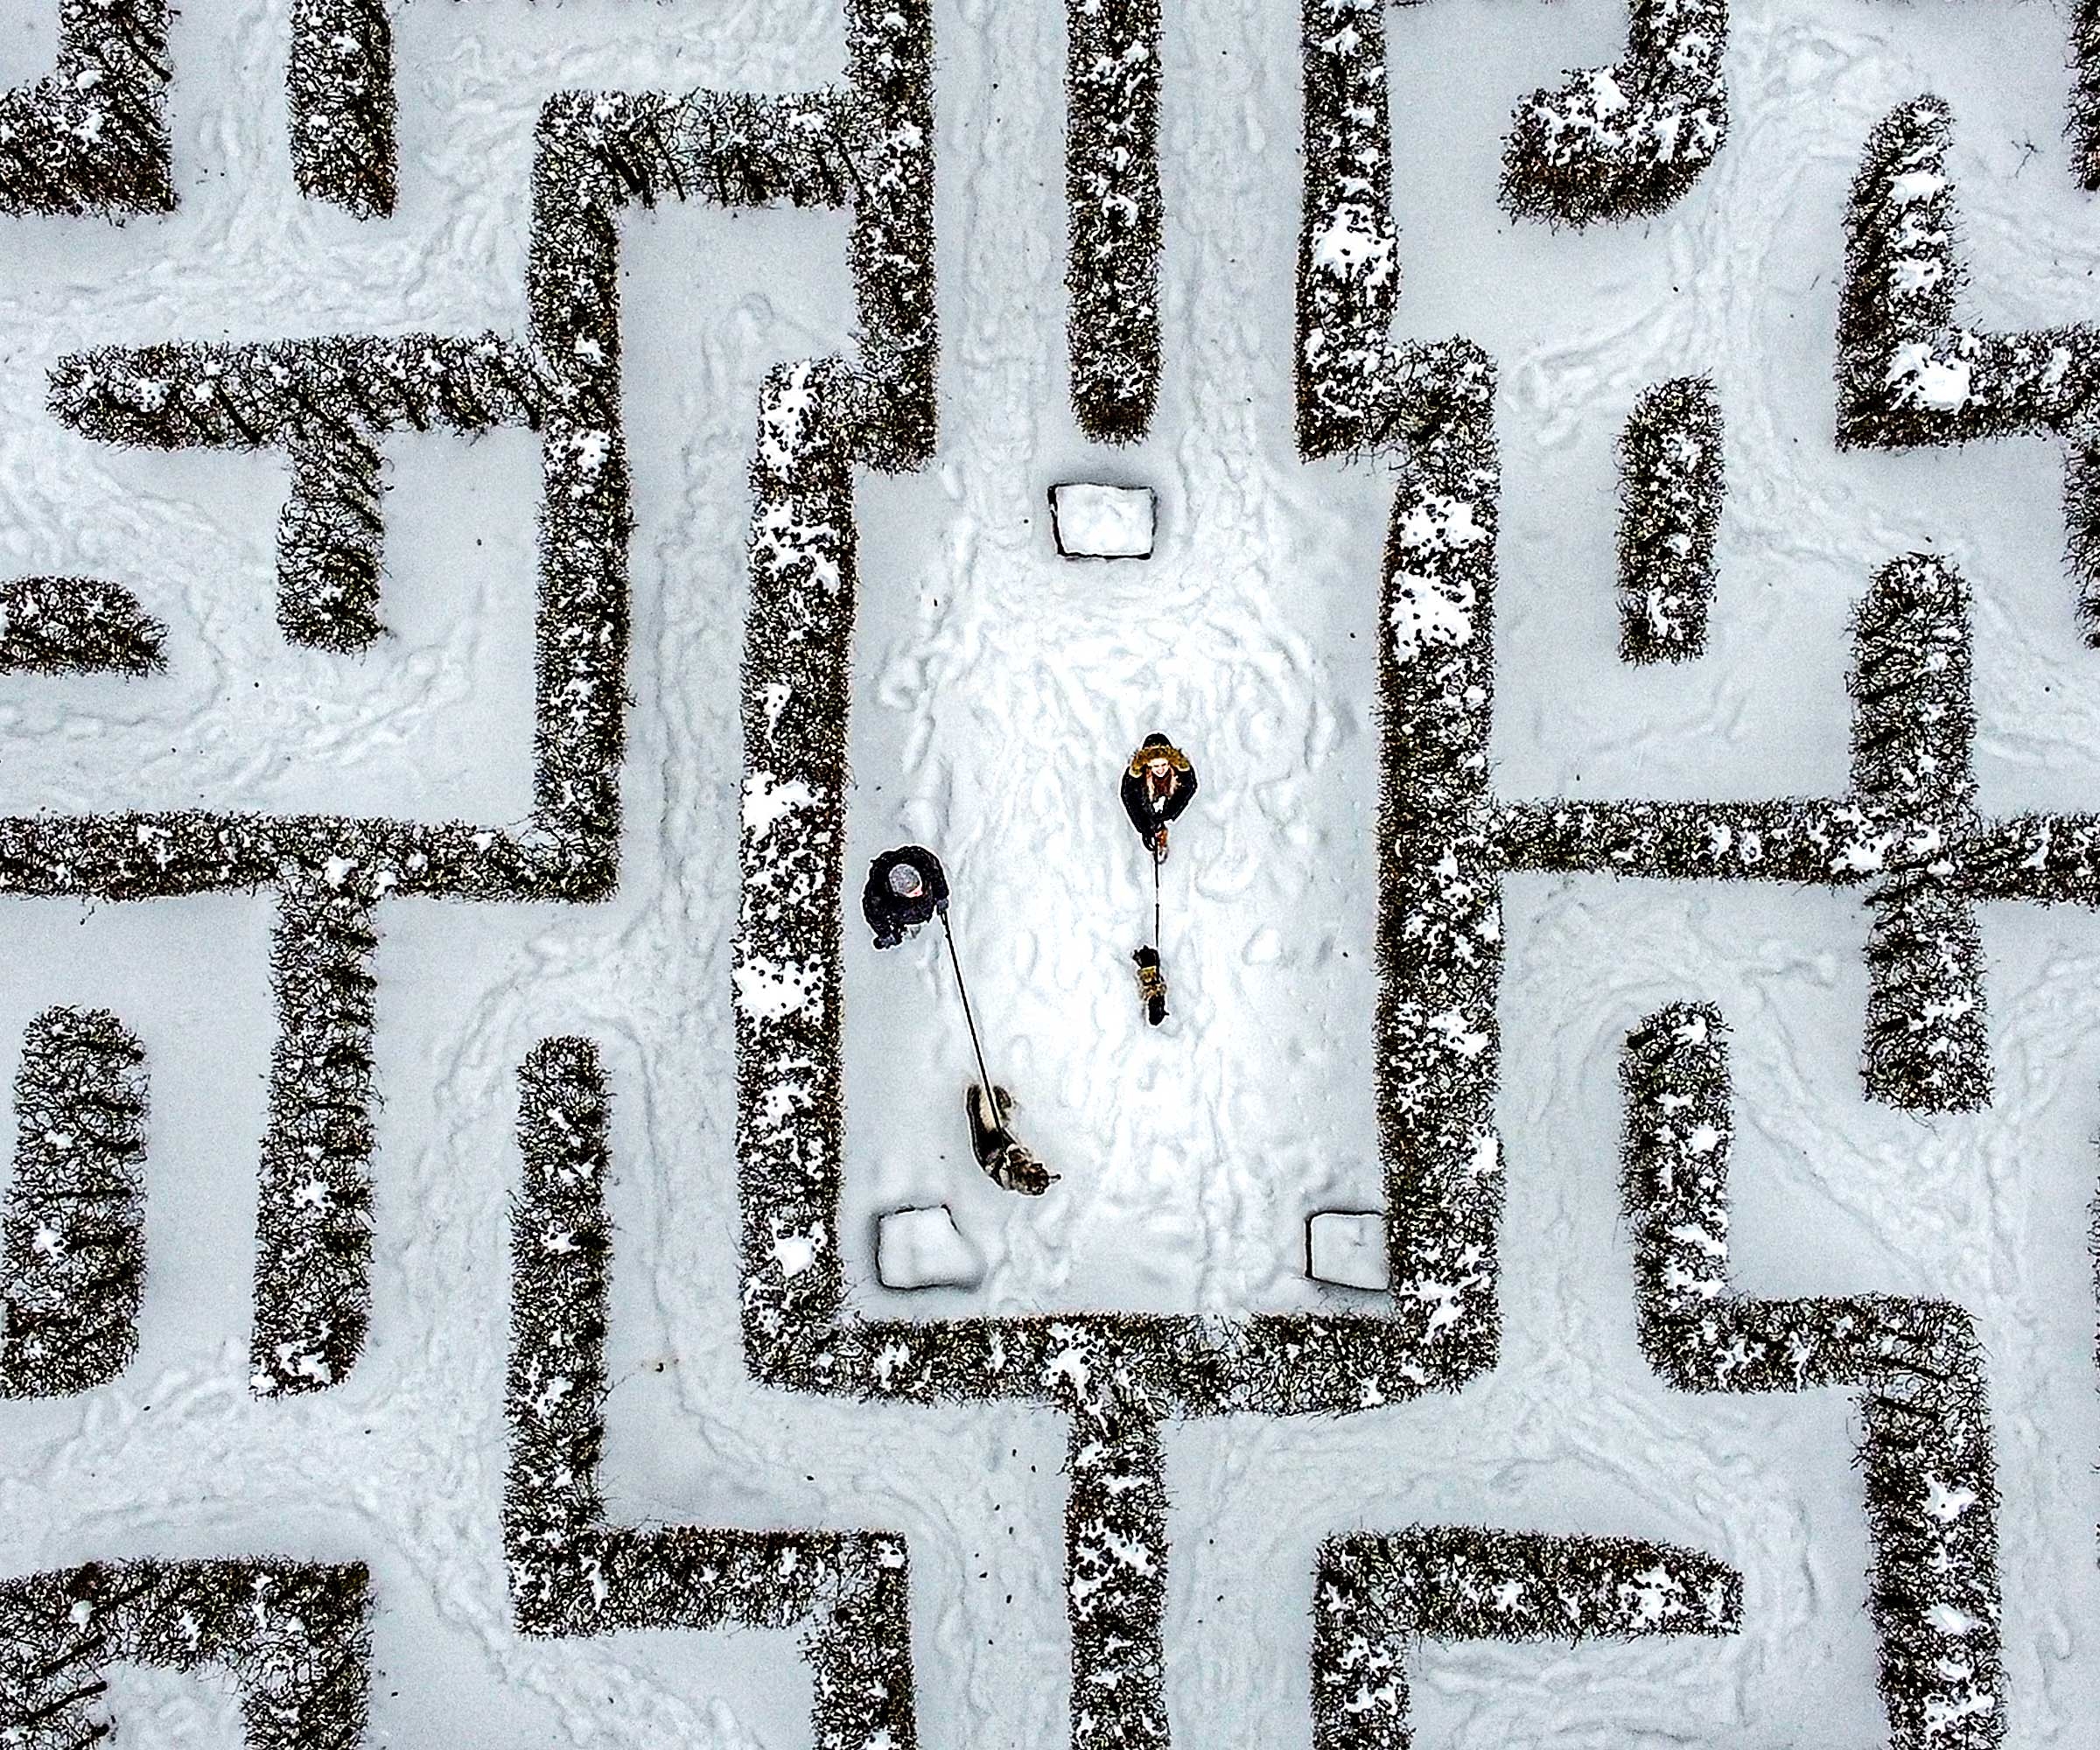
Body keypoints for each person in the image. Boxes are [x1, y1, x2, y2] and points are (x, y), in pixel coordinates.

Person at [1120, 733, 1198, 863]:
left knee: (1160, 816)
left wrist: (1171, 811)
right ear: (1148, 766)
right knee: (1149, 814)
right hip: (1148, 799)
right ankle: (1156, 835)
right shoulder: (1136, 780)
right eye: (1155, 766)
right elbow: (1130, 799)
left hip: (1169, 796)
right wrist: (1144, 828)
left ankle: (1161, 831)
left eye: (1164, 765)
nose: (1160, 770)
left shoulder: (1180, 774)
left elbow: (1189, 787)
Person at [862, 844, 948, 949]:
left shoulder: (923, 862)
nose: (919, 893)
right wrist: (885, 934)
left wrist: (941, 895)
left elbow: (936, 875)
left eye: (919, 887)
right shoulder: (878, 897)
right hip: (902, 915)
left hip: (926, 904)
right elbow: (874, 916)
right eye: (914, 893)